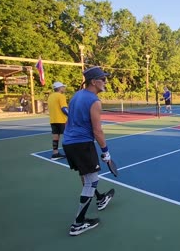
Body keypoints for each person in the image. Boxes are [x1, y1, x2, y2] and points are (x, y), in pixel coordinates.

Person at [62, 66, 115, 236]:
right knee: (92, 181)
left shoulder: (76, 96)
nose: (106, 82)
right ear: (94, 81)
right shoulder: (94, 101)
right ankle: (78, 223)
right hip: (82, 144)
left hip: (69, 143)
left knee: (86, 177)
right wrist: (105, 151)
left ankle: (100, 199)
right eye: (103, 79)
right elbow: (97, 130)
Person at [47, 82, 68, 160]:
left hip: (53, 120)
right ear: (60, 88)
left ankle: (55, 154)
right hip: (61, 120)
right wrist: (71, 116)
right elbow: (64, 108)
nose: (64, 88)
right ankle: (70, 152)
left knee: (55, 136)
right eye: (63, 87)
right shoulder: (61, 96)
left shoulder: (50, 96)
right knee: (67, 136)